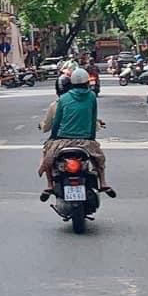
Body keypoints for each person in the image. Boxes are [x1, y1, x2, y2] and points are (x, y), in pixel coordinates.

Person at [39, 67, 116, 201]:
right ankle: (103, 183)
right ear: (87, 82)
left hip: (62, 140)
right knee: (99, 159)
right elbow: (93, 119)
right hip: (85, 140)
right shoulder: (91, 97)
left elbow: (57, 122)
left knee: (48, 158)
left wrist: (53, 138)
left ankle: (49, 185)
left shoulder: (63, 99)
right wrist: (91, 139)